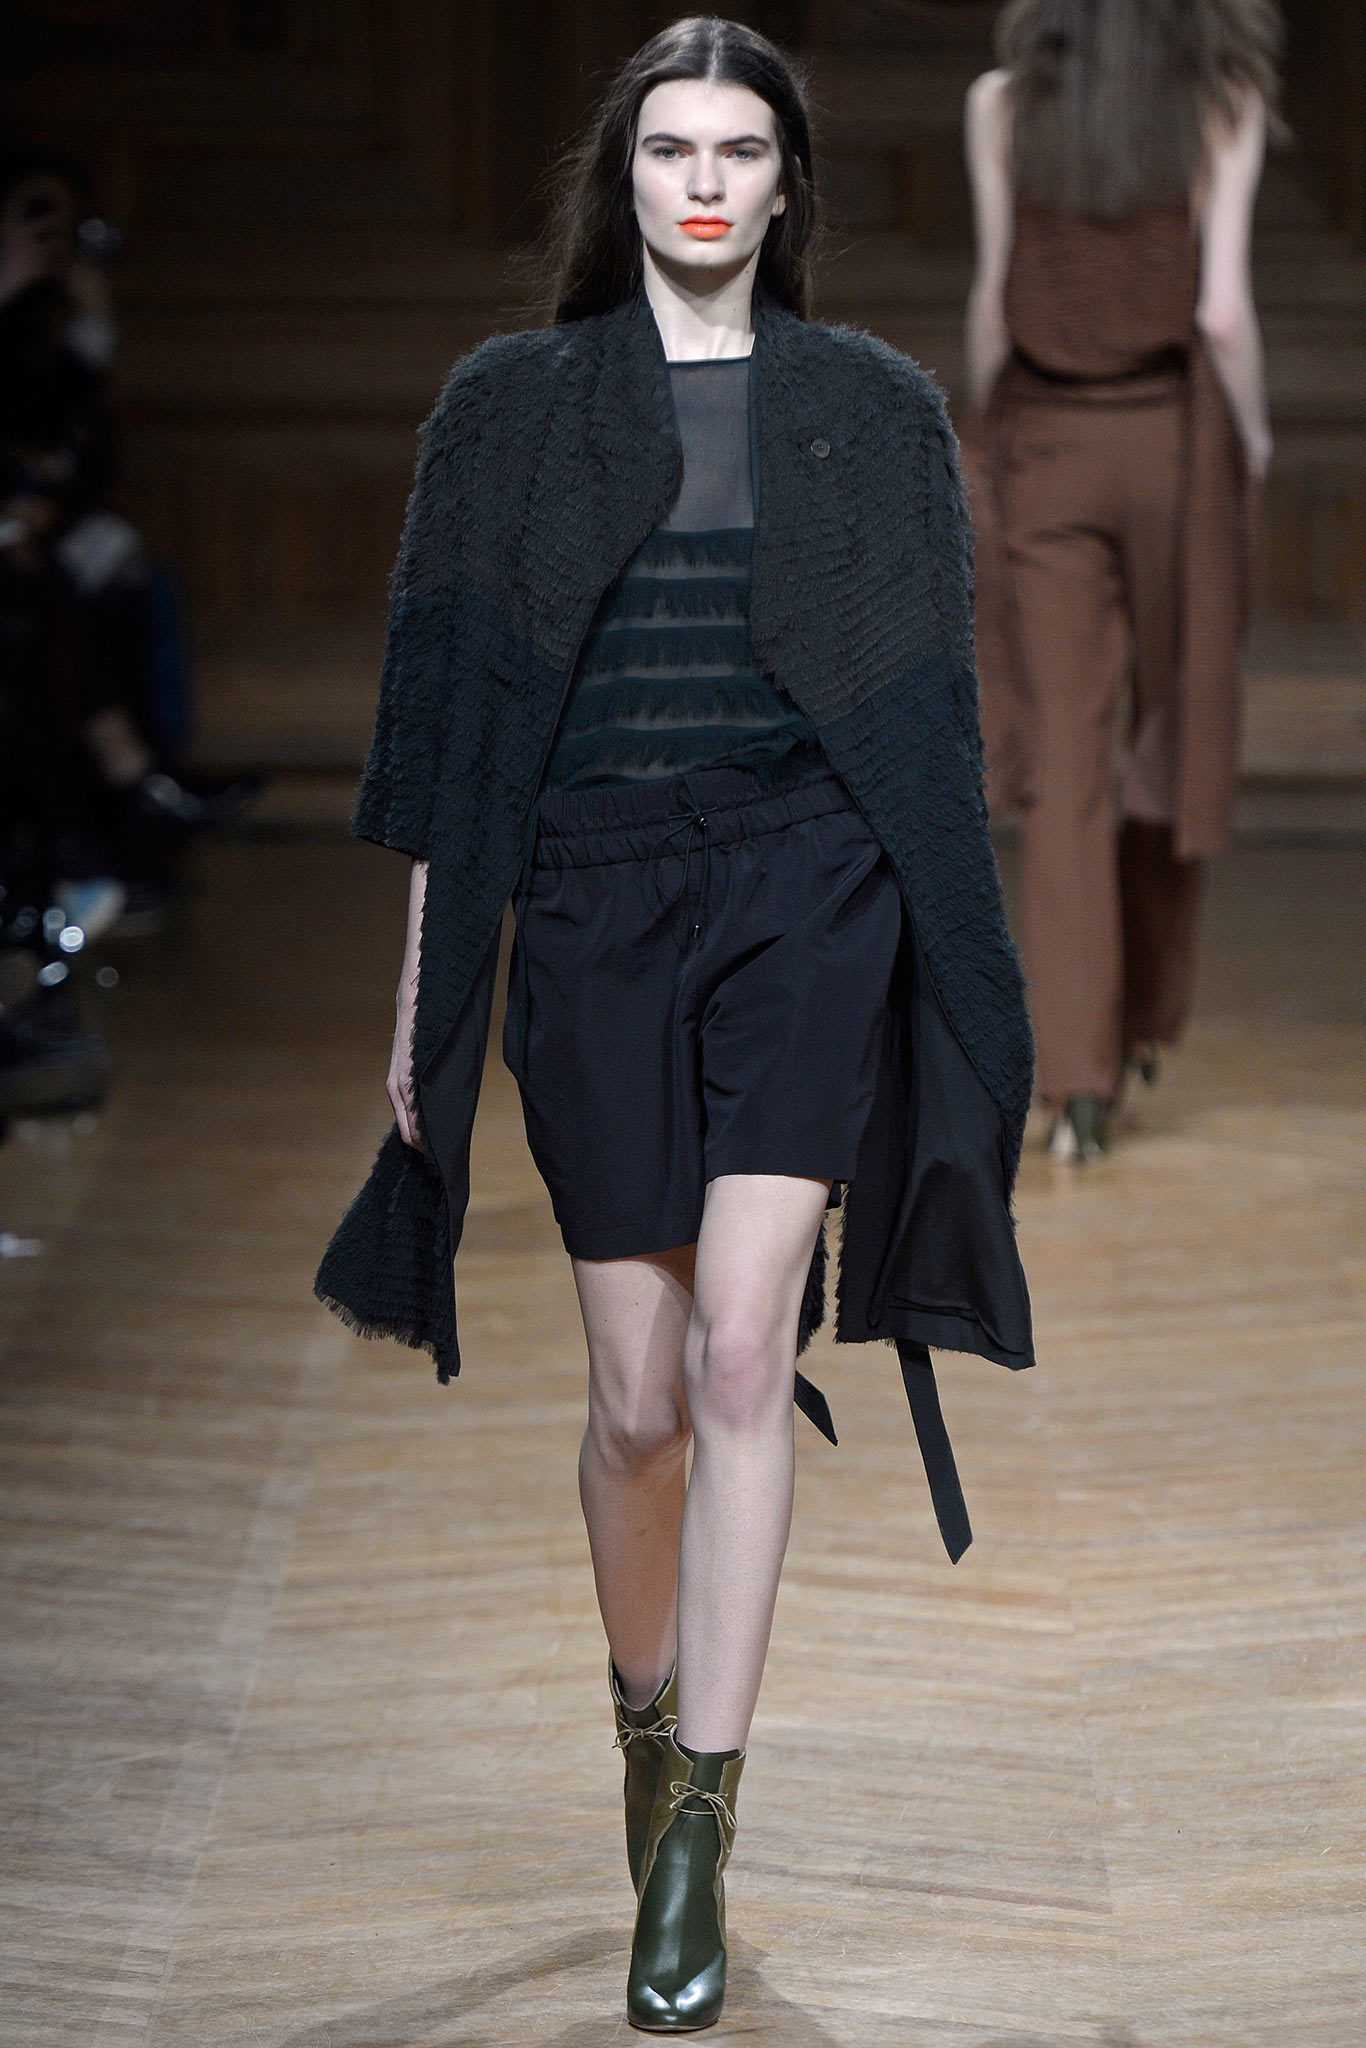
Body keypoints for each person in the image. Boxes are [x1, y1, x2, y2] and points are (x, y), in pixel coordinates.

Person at [318, 16, 1035, 2032]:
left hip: (805, 884)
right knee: (634, 1399)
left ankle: (704, 1821)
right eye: (668, 150)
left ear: (788, 182)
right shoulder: (508, 409)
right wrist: (421, 998)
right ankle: (646, 1722)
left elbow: (924, 723)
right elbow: (447, 735)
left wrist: (951, 972)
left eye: (738, 150)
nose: (704, 183)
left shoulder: (871, 409)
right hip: (595, 897)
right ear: (619, 176)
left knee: (738, 1344)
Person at [963, 0, 1279, 1159]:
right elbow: (1221, 311)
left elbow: (993, 302)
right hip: (1174, 446)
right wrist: (1254, 438)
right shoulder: (1221, 101)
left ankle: (1074, 1081)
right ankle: (1139, 1015)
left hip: (1046, 446)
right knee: (1169, 730)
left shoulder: (1000, 105)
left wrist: (989, 436)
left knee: (1064, 763)